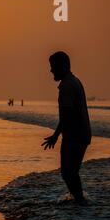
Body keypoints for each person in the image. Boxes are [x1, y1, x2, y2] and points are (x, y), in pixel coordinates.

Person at [42, 51, 92, 205]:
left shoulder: (67, 86)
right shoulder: (74, 81)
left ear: (63, 66)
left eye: (53, 66)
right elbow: (67, 114)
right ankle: (80, 201)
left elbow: (67, 115)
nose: (51, 70)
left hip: (74, 136)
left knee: (67, 173)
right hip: (82, 134)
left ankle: (80, 201)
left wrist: (56, 135)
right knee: (71, 173)